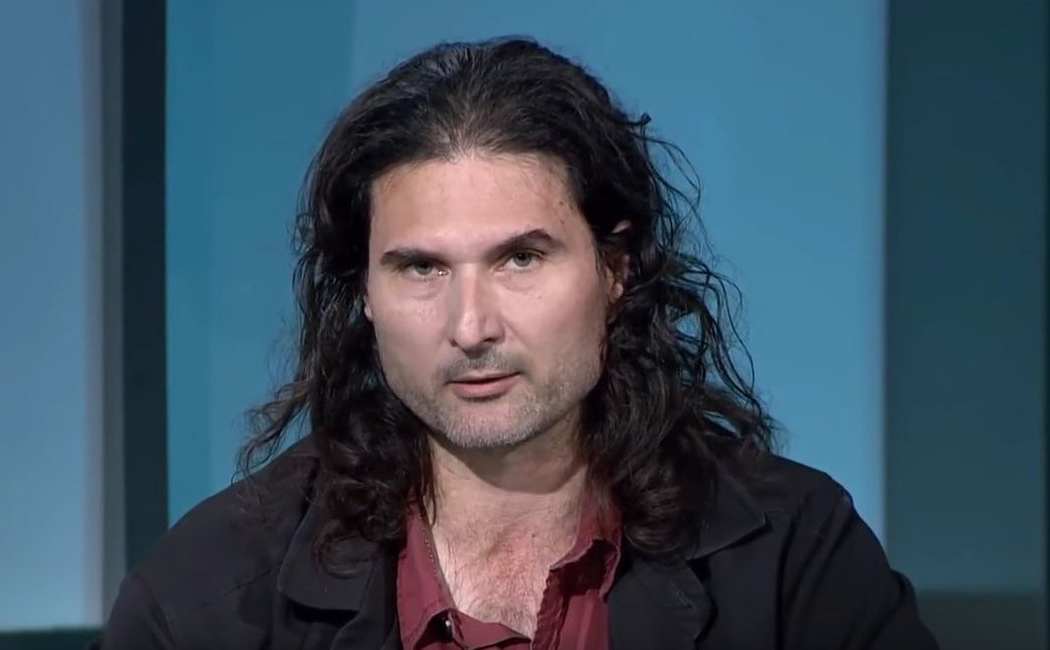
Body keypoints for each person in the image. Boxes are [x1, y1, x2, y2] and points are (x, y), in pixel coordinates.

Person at [95, 37, 938, 649]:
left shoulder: (793, 555)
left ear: (615, 269)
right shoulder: (209, 595)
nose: (471, 327)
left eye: (520, 259)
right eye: (422, 268)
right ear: (363, 295)